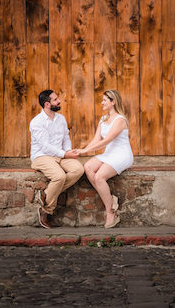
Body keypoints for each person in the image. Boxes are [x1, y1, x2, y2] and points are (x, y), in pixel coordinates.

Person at [75, 89, 133, 229]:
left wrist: (86, 150)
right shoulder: (103, 119)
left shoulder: (120, 120)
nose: (102, 103)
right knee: (88, 168)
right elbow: (96, 139)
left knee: (100, 176)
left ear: (113, 102)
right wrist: (82, 151)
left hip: (121, 154)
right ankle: (111, 201)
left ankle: (110, 213)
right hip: (109, 154)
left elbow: (107, 140)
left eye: (105, 100)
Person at [29, 89, 84, 228]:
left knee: (78, 169)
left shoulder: (61, 119)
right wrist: (65, 154)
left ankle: (45, 196)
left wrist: (68, 151)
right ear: (47, 104)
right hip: (42, 156)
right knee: (59, 176)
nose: (59, 101)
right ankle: (46, 210)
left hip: (60, 155)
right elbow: (45, 146)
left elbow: (66, 138)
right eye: (55, 99)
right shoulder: (37, 122)